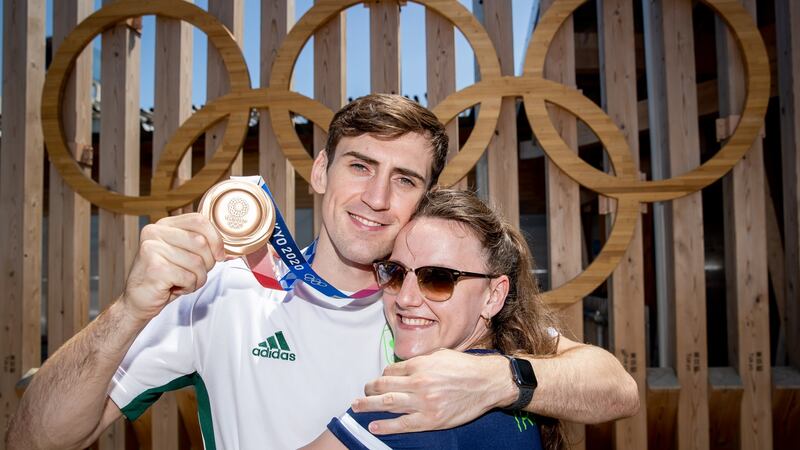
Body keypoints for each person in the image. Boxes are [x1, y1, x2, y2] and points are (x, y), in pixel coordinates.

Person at [7, 94, 638, 450]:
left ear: (426, 197)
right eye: (359, 166)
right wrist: (127, 310)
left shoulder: (433, 309)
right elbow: (34, 440)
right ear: (320, 172)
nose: (376, 197)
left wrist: (500, 380)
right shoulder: (224, 291)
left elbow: (614, 388)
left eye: (405, 179)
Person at [305, 189, 565, 450]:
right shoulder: (517, 379)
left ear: (494, 296)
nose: (405, 298)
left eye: (438, 278)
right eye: (395, 273)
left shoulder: (414, 407)